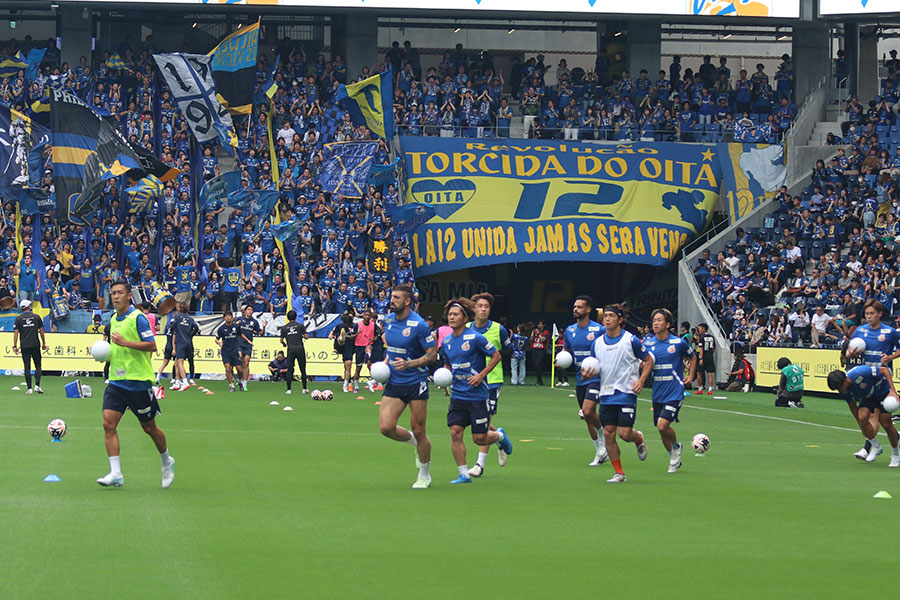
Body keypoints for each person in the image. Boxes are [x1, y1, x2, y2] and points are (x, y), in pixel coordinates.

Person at [97, 280, 175, 488]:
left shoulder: (138, 318)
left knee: (149, 428)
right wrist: (106, 354)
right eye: (113, 293)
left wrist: (125, 343)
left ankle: (166, 461)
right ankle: (116, 474)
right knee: (108, 424)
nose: (115, 297)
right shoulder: (113, 318)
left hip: (138, 382)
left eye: (119, 293)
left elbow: (152, 345)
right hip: (116, 382)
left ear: (128, 295)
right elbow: (117, 349)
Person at [441, 297, 513, 484]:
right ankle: (464, 474)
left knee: (479, 438)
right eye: (450, 314)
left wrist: (481, 375)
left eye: (455, 314)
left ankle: (499, 436)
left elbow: (496, 356)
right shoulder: (446, 341)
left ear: (465, 318)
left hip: (477, 396)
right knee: (455, 432)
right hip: (458, 395)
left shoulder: (475, 338)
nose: (452, 317)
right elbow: (448, 365)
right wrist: (445, 379)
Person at [581, 303, 654, 483]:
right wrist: (587, 373)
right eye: (605, 316)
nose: (607, 319)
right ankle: (619, 473)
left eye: (611, 316)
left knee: (624, 434)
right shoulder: (597, 343)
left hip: (626, 393)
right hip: (606, 393)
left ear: (620, 320)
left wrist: (641, 380)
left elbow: (648, 359)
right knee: (608, 433)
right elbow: (593, 366)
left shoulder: (631, 340)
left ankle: (638, 438)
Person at [378, 284, 438, 489]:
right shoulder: (388, 320)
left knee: (420, 429)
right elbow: (393, 348)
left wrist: (410, 363)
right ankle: (415, 443)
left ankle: (424, 474)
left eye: (396, 297)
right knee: (386, 427)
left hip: (416, 382)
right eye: (391, 296)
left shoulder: (419, 324)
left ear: (407, 301)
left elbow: (432, 354)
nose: (391, 300)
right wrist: (385, 365)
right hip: (394, 381)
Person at [844, 299, 900, 459]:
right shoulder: (860, 331)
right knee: (868, 416)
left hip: (882, 378)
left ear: (880, 314)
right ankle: (871, 446)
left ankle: (871, 447)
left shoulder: (890, 332)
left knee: (882, 418)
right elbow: (848, 352)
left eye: (872, 313)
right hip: (866, 378)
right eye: (867, 314)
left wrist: (890, 357)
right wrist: (851, 354)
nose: (869, 316)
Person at [644, 308, 696, 474]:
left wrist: (691, 375)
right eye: (654, 321)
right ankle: (674, 453)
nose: (656, 323)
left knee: (662, 425)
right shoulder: (648, 344)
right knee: (661, 431)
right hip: (658, 393)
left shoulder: (678, 343)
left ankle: (675, 449)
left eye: (659, 320)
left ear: (667, 324)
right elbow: (642, 361)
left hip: (674, 392)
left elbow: (693, 356)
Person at [467, 292, 512, 478]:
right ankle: (499, 437)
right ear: (473, 309)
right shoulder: (466, 328)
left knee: (484, 423)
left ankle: (480, 465)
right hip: (470, 381)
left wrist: (491, 354)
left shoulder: (498, 329)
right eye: (480, 306)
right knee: (475, 421)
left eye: (486, 306)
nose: (483, 309)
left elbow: (509, 350)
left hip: (492, 381)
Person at [563, 295, 608, 466]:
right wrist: (561, 360)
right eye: (574, 307)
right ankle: (600, 451)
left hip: (596, 378)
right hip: (580, 379)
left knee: (588, 411)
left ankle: (603, 436)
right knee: (587, 417)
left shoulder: (599, 330)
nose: (576, 309)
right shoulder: (570, 330)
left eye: (579, 307)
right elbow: (567, 352)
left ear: (588, 310)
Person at [827, 364, 900, 467]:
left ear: (845, 381)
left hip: (882, 392)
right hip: (868, 397)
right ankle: (876, 447)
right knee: (862, 418)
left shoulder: (861, 372)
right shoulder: (844, 391)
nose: (840, 391)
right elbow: (852, 406)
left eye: (839, 388)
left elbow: (884, 370)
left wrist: (893, 391)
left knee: (886, 424)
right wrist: (861, 424)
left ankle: (896, 454)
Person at [13, 300, 48, 394]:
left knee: (27, 367)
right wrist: (44, 343)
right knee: (38, 365)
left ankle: (29, 388)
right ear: (28, 306)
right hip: (35, 344)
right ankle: (37, 385)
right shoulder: (36, 317)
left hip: (24, 345)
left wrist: (15, 346)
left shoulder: (19, 319)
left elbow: (16, 333)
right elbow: (41, 331)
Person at [170, 302, 199, 391]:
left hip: (180, 342)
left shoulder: (177, 316)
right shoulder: (190, 318)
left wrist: (173, 329)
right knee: (177, 361)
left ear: (179, 308)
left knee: (179, 362)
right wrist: (190, 335)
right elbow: (196, 328)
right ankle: (177, 382)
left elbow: (171, 325)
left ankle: (185, 381)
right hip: (188, 342)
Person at [280, 309, 309, 395]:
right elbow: (306, 337)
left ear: (288, 318)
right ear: (296, 317)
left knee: (290, 369)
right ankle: (304, 388)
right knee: (302, 369)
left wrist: (285, 344)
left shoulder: (284, 328)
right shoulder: (300, 326)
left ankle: (289, 389)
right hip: (300, 348)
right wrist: (301, 335)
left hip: (291, 349)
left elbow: (281, 340)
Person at [236, 304, 261, 391]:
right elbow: (234, 329)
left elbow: (259, 332)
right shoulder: (239, 319)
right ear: (245, 311)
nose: (250, 311)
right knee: (239, 364)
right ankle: (239, 379)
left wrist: (264, 327)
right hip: (238, 343)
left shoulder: (254, 322)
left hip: (248, 345)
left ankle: (245, 383)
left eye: (251, 310)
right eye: (248, 309)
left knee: (246, 363)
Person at [330, 313, 357, 393]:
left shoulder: (354, 326)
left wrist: (356, 334)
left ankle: (347, 385)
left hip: (350, 347)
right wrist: (331, 335)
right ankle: (340, 340)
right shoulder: (339, 326)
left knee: (347, 366)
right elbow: (332, 332)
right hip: (341, 347)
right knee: (339, 339)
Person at [351, 309, 377, 393]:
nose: (367, 317)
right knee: (358, 368)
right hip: (359, 347)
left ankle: (368, 355)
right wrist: (357, 333)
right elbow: (352, 337)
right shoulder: (357, 325)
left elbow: (377, 335)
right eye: (366, 315)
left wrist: (373, 339)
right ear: (363, 315)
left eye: (369, 315)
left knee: (371, 366)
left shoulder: (373, 325)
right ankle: (356, 386)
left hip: (369, 345)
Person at [215, 310, 241, 392]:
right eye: (226, 316)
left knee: (239, 369)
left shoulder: (236, 327)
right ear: (224, 318)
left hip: (235, 350)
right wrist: (219, 343)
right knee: (228, 368)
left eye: (229, 316)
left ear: (232, 317)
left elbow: (241, 336)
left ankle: (240, 381)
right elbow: (216, 339)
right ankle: (232, 385)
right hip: (225, 351)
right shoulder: (221, 329)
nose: (228, 317)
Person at [695, 323, 716, 394]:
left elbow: (701, 349)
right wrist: (710, 354)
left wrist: (701, 358)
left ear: (704, 329)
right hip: (710, 356)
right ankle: (710, 389)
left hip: (703, 357)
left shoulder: (702, 337)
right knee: (710, 373)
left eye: (700, 328)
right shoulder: (712, 337)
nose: (698, 330)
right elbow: (714, 348)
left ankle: (700, 388)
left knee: (699, 372)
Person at [529, 320, 549, 385]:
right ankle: (539, 381)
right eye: (538, 324)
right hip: (534, 349)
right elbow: (531, 339)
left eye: (541, 324)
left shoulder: (545, 332)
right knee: (536, 365)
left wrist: (539, 333)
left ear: (543, 325)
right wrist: (532, 332)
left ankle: (539, 380)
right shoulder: (534, 331)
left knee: (538, 363)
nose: (539, 325)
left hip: (541, 349)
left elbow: (543, 340)